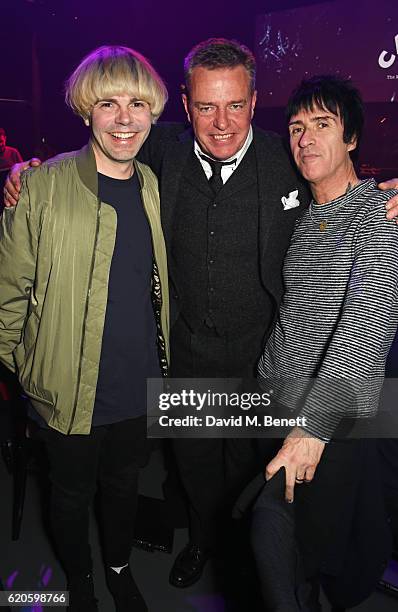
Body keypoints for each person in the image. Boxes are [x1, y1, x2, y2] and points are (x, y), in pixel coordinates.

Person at [4, 38, 398, 590]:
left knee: (248, 476)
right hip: (183, 352)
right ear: (186, 106)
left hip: (261, 359)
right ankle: (201, 541)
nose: (221, 124)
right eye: (207, 107)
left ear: (255, 102)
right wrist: (29, 170)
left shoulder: (286, 156)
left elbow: (340, 183)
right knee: (191, 471)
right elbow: (99, 151)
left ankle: (237, 562)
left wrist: (384, 194)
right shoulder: (158, 149)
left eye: (235, 105)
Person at [0, 45, 169, 612]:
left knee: (124, 487)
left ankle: (119, 567)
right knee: (70, 498)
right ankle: (82, 582)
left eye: (137, 104)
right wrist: (23, 371)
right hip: (65, 389)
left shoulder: (152, 184)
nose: (124, 118)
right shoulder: (41, 187)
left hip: (137, 381)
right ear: (85, 110)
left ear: (153, 112)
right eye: (108, 104)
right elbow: (7, 294)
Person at [253, 75, 398, 611]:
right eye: (296, 128)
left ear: (352, 137)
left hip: (330, 414)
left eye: (322, 125)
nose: (305, 139)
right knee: (292, 551)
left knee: (282, 538)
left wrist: (313, 429)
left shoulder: (380, 214)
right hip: (276, 397)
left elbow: (369, 325)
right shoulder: (303, 214)